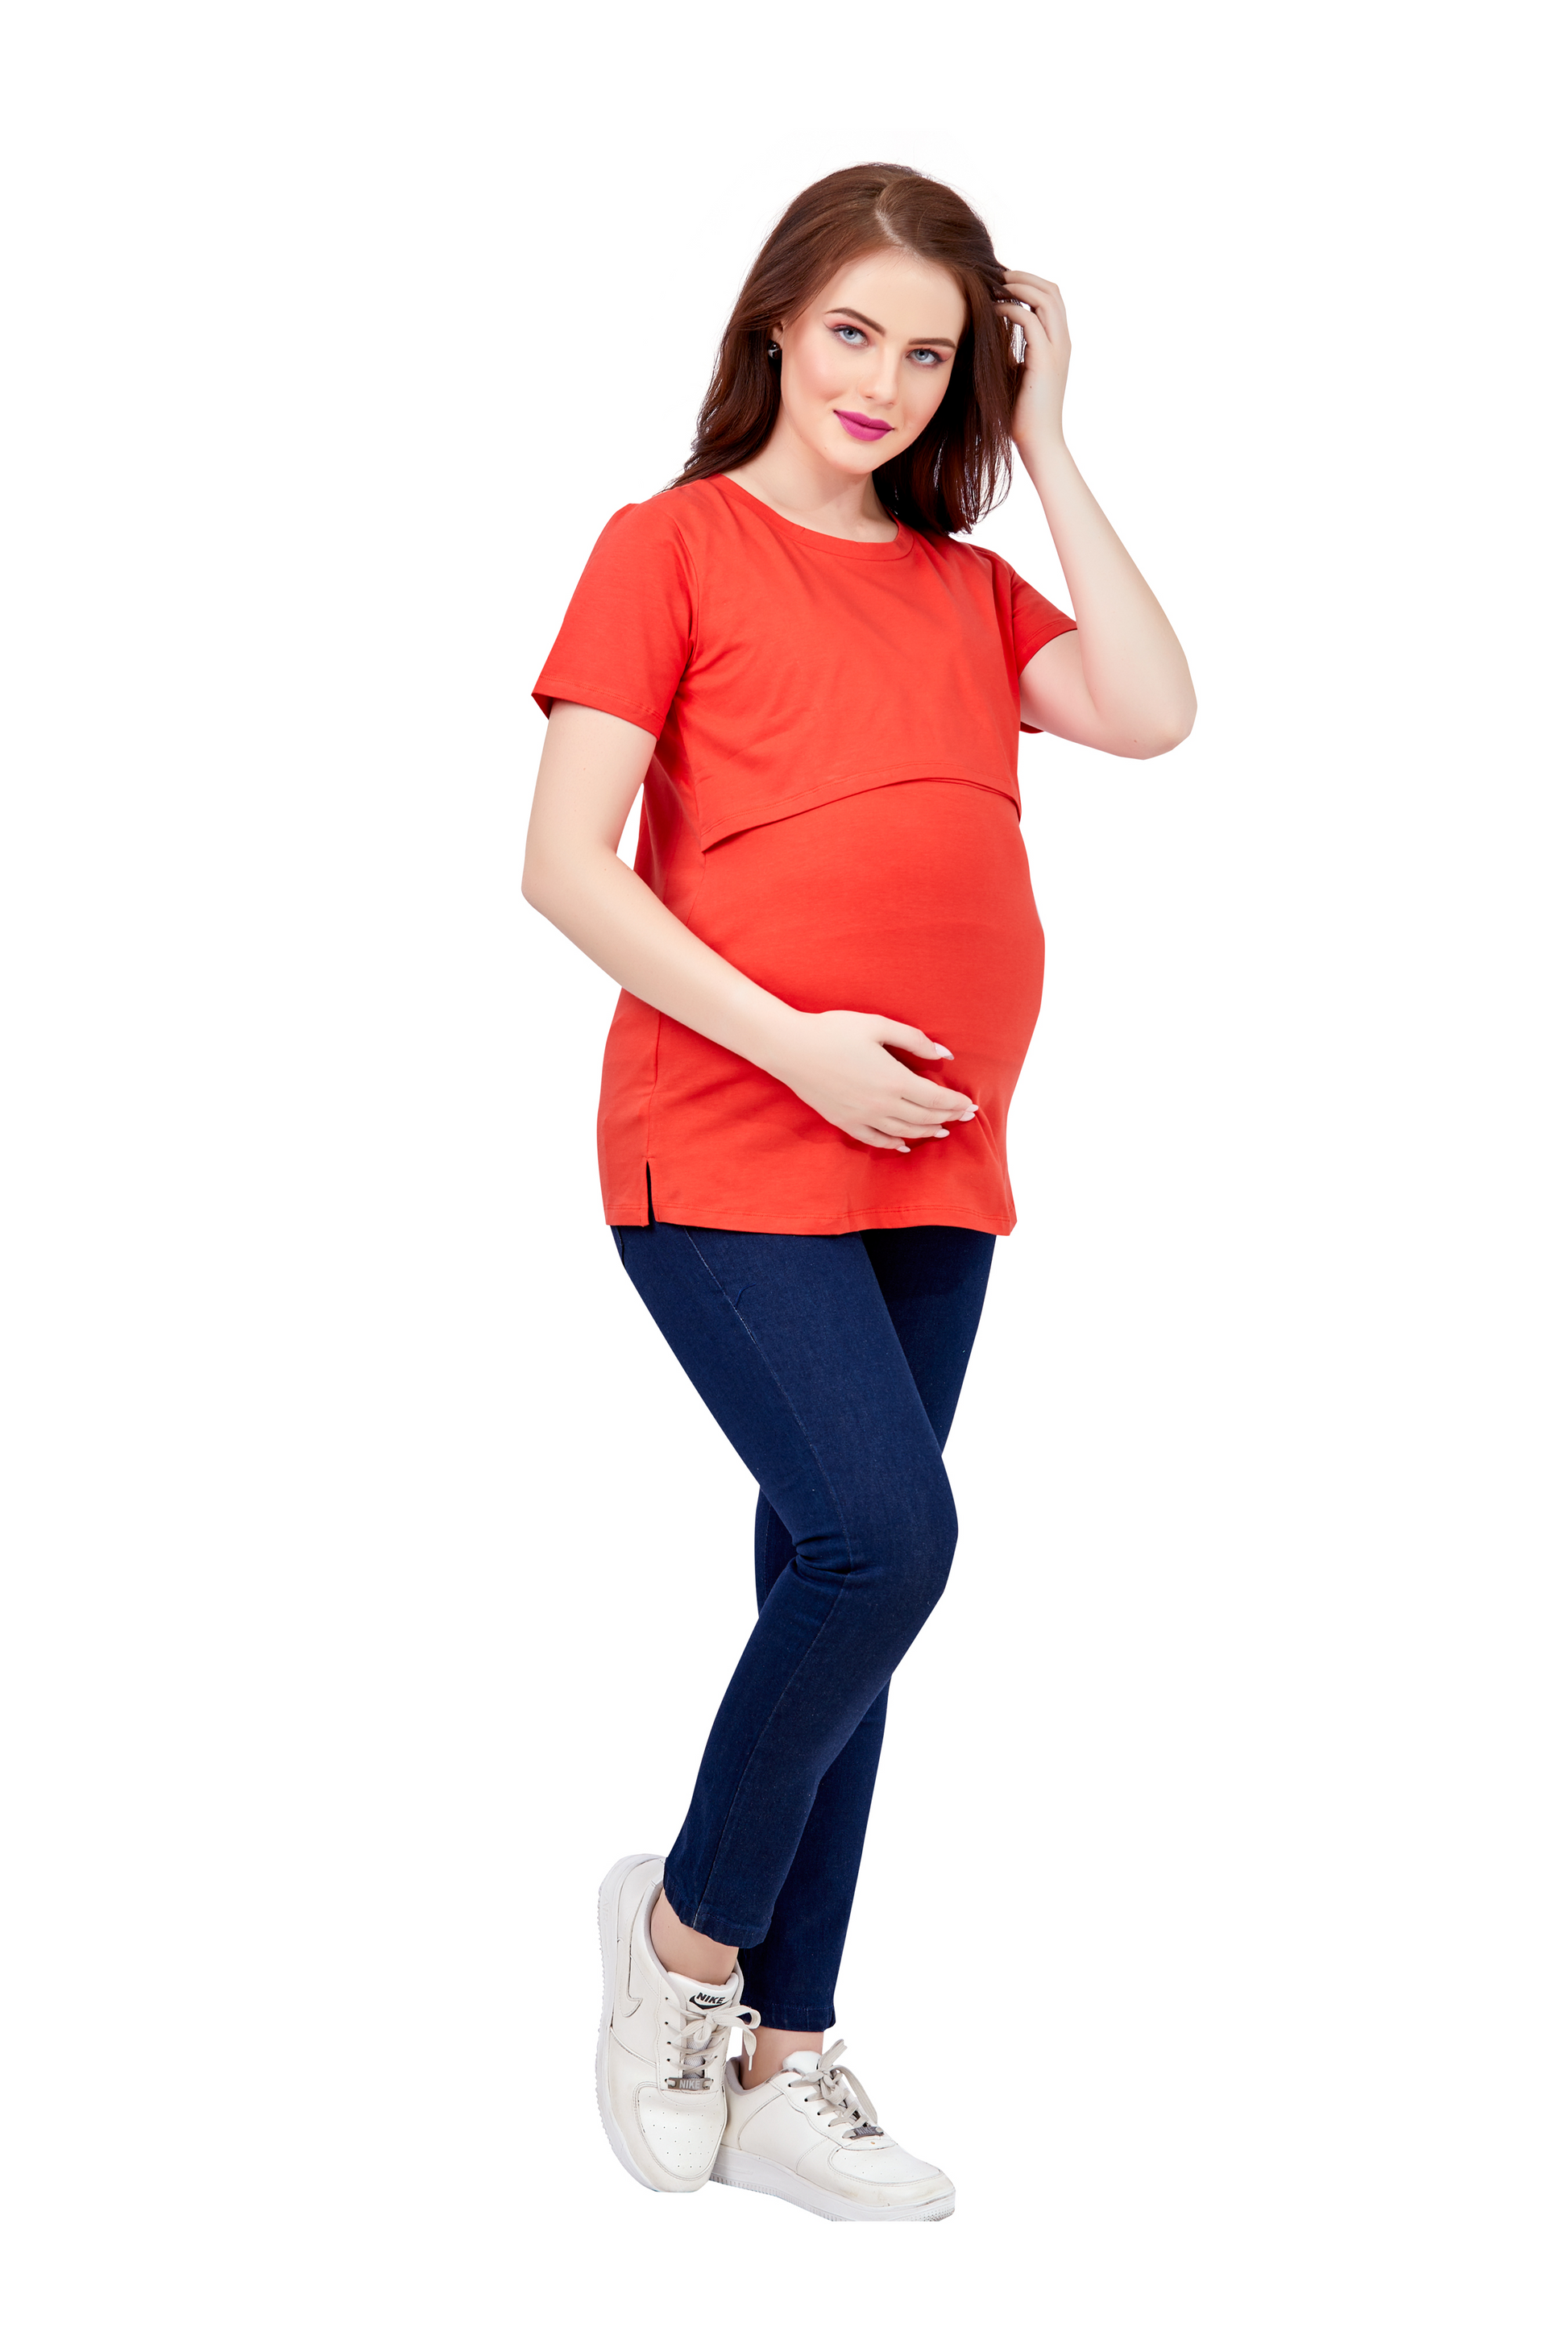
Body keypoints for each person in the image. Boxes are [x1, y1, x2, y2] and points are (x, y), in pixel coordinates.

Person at [525, 162, 1194, 2225]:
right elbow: (563, 866)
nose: (883, 381)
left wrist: (1049, 440)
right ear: (773, 324)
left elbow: (1153, 710)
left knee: (840, 1585)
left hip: (936, 1157)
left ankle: (784, 2062)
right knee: (886, 1542)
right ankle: (682, 1953)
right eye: (851, 332)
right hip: (726, 1137)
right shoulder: (669, 545)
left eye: (929, 351)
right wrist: (798, 1043)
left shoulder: (965, 590)